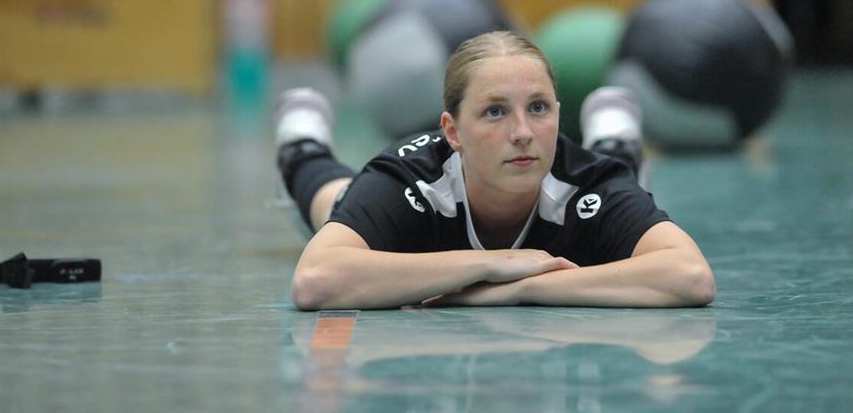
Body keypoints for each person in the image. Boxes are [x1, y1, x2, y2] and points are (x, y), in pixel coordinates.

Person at [276, 31, 714, 310]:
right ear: (453, 131)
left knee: (618, 175)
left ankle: (615, 140)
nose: (522, 132)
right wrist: (492, 263)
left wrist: (520, 287)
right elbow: (316, 280)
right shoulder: (412, 179)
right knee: (334, 202)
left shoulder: (588, 183)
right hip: (400, 199)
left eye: (538, 108)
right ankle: (302, 145)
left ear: (560, 115)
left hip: (591, 185)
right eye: (494, 112)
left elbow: (690, 276)